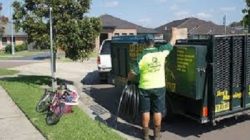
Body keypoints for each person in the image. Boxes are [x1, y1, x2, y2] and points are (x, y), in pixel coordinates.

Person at [127, 28, 185, 140]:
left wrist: (128, 79)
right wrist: (175, 34)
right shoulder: (161, 52)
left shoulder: (141, 56)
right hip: (159, 87)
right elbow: (172, 43)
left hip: (145, 87)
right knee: (158, 111)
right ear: (154, 42)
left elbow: (132, 73)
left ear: (144, 44)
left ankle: (145, 135)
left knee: (145, 111)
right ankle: (157, 135)